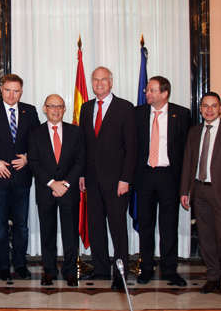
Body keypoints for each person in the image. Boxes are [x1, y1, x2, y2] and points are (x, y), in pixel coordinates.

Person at [180, 92, 221, 300]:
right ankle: (213, 277)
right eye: (205, 106)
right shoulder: (194, 131)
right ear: (200, 109)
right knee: (206, 237)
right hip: (200, 192)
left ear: (220, 109)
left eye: (213, 106)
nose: (209, 110)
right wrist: (185, 191)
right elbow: (188, 163)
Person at [0, 74, 40, 281]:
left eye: (16, 90)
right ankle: (3, 265)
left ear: (22, 92)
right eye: (8, 90)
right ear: (0, 90)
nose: (12, 94)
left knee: (21, 225)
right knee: (0, 225)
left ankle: (20, 264)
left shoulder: (29, 111)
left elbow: (38, 141)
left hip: (21, 177)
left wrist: (28, 158)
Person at [78, 66, 136, 290]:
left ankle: (119, 274)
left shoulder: (125, 107)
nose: (99, 84)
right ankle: (101, 268)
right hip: (91, 180)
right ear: (91, 83)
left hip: (117, 182)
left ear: (111, 82)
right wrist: (82, 173)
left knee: (118, 229)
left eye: (103, 80)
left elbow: (131, 147)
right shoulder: (85, 108)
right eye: (95, 80)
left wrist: (125, 178)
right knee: (96, 227)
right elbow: (84, 145)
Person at [134, 76, 191, 286]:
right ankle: (146, 268)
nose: (147, 93)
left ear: (164, 93)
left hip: (169, 177)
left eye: (151, 90)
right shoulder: (138, 113)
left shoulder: (182, 114)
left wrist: (185, 184)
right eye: (147, 90)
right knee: (146, 226)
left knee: (169, 226)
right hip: (145, 176)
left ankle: (169, 270)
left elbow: (187, 151)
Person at [28, 94, 85, 287]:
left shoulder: (75, 132)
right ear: (44, 108)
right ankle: (50, 271)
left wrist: (65, 184)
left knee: (70, 233)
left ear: (64, 109)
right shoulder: (35, 133)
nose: (56, 110)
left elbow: (80, 161)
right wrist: (52, 183)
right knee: (48, 233)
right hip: (46, 190)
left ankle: (70, 271)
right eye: (52, 106)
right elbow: (33, 163)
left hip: (69, 191)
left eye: (60, 106)